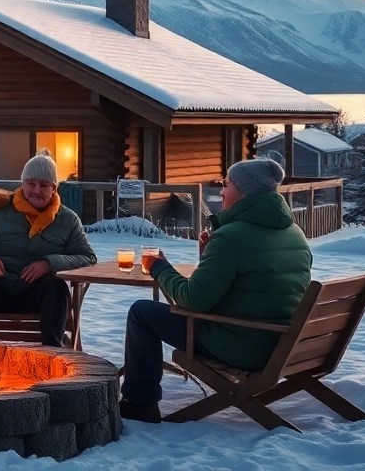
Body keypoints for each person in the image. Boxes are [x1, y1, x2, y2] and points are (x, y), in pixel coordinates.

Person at [118, 157, 312, 423]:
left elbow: (193, 301)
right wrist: (210, 255)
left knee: (142, 312)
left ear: (244, 192)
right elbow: (253, 284)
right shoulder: (294, 233)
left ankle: (140, 404)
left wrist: (160, 268)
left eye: (227, 184)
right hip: (282, 344)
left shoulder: (231, 237)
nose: (221, 191)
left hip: (240, 345)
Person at [0, 151, 97, 347]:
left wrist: (49, 263)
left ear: (54, 189)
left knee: (57, 288)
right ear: (23, 184)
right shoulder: (0, 212)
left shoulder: (68, 219)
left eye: (44, 185)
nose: (36, 190)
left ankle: (52, 355)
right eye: (31, 183)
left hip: (37, 296)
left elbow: (88, 257)